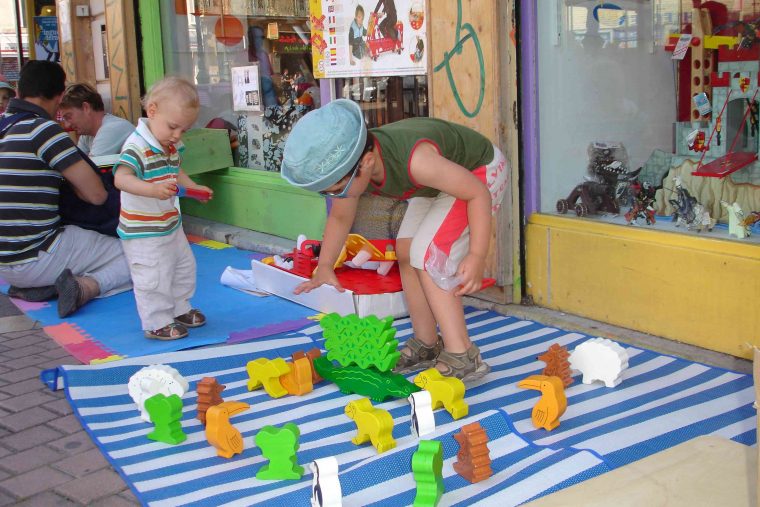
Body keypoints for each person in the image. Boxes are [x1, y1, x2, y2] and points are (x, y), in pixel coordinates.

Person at [280, 100, 508, 381]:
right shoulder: (356, 164)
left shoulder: (416, 161)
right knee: (406, 251)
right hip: (439, 183)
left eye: (339, 190)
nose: (337, 197)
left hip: (479, 174)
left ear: (366, 163)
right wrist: (325, 265)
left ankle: (464, 355)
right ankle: (426, 342)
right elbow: (340, 218)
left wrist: (477, 255)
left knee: (427, 256)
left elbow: (477, 194)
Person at [0, 61, 131, 316]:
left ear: (18, 91)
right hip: (35, 255)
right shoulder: (43, 130)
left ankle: (45, 286)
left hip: (4, 264)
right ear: (59, 97)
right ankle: (85, 287)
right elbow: (96, 194)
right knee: (141, 254)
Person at [114, 76, 213, 340]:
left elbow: (176, 171)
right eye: (173, 127)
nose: (178, 135)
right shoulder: (137, 146)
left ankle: (180, 308)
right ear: (152, 111)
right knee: (153, 276)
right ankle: (157, 321)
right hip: (143, 230)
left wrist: (194, 189)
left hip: (169, 223)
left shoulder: (168, 144)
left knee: (183, 267)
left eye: (184, 130)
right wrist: (152, 190)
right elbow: (121, 178)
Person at [59, 84, 135, 158]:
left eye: (68, 117)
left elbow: (88, 169)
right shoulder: (86, 135)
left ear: (86, 108)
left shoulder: (111, 129)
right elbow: (76, 164)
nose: (67, 125)